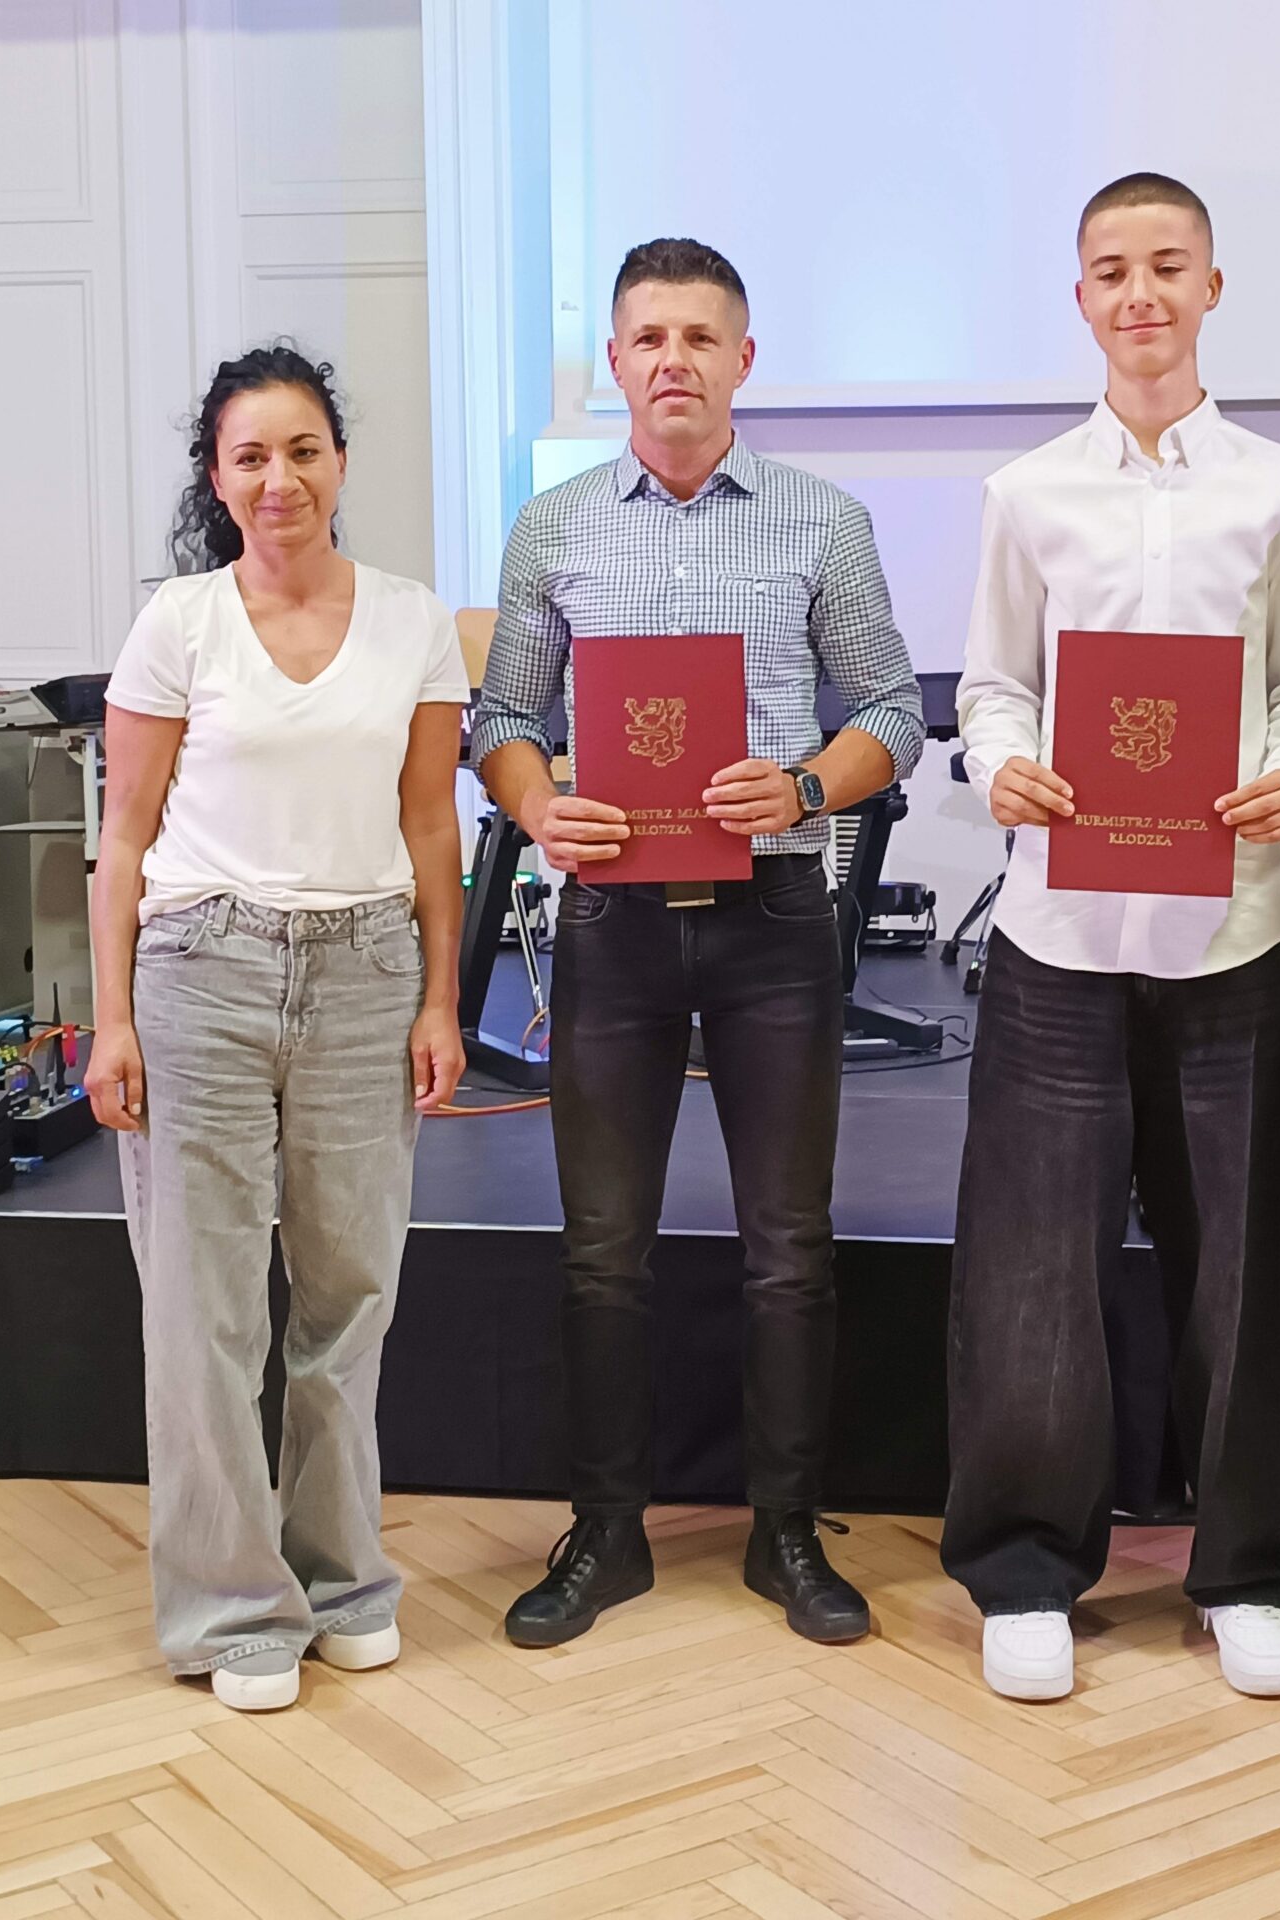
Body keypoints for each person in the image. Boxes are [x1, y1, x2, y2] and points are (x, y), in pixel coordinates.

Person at [478, 239, 924, 1650]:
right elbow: (503, 722)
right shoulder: (552, 528)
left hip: (772, 921)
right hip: (610, 923)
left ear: (744, 359)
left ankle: (784, 1529)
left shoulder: (822, 521)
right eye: (650, 338)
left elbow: (894, 711)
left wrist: (803, 788)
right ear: (615, 361)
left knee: (788, 1248)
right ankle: (605, 1533)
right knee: (600, 1251)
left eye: (700, 337)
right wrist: (538, 805)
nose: (675, 359)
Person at [947, 173, 1280, 1703]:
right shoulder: (1027, 493)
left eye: (1168, 266)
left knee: (1242, 1268)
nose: (1141, 294)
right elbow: (992, 687)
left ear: (1212, 287)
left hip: (1231, 930)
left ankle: (1243, 1573)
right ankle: (1024, 1569)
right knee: (1031, 1268)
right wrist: (1002, 766)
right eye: (1112, 270)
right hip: (1058, 931)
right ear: (1081, 298)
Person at [86, 344, 471, 1713]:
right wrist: (112, 1021)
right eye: (250, 456)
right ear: (217, 478)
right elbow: (123, 837)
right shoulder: (178, 623)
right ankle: (232, 1607)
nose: (280, 478)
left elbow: (432, 828)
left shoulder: (414, 621)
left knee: (349, 1294)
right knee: (202, 1305)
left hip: (366, 970)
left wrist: (442, 996)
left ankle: (342, 1577)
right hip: (204, 969)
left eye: (304, 450)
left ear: (341, 463)